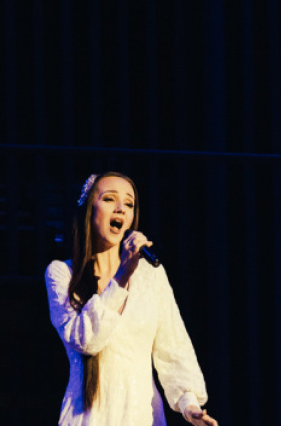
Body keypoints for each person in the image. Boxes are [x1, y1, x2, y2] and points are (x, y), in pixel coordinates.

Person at [45, 172, 219, 426]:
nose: (121, 208)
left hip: (141, 414)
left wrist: (189, 405)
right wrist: (121, 277)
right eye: (109, 199)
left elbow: (173, 346)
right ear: (89, 210)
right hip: (89, 416)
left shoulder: (150, 275)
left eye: (129, 203)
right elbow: (85, 340)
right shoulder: (62, 273)